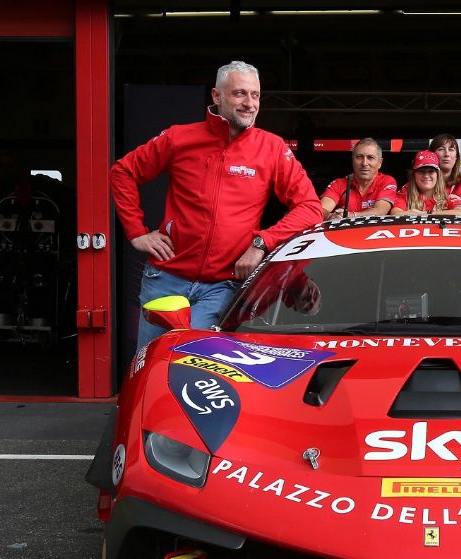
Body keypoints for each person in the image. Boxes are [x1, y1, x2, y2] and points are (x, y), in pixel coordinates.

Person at [110, 60, 321, 348]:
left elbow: (310, 206)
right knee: (149, 365)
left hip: (222, 286)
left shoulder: (271, 148)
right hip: (165, 278)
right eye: (239, 94)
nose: (249, 103)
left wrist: (261, 243)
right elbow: (123, 172)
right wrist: (136, 231)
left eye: (255, 95)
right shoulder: (179, 138)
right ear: (217, 96)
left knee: (191, 361)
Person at [319, 137, 397, 219]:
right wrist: (330, 216)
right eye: (359, 157)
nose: (364, 163)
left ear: (380, 163)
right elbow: (320, 210)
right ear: (352, 161)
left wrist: (351, 215)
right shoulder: (338, 184)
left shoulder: (387, 181)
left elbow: (380, 211)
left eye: (370, 157)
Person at [388, 151, 461, 216]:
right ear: (414, 174)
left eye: (431, 171)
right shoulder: (405, 193)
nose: (426, 176)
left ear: (438, 175)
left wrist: (428, 213)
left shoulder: (448, 195)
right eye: (421, 171)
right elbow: (396, 213)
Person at [429, 133, 461, 207]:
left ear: (456, 157)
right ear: (431, 155)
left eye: (451, 149)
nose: (447, 154)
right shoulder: (422, 184)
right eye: (441, 149)